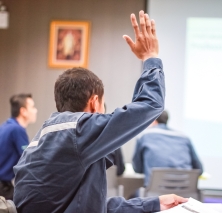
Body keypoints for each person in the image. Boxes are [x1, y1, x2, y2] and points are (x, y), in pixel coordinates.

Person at [13, 11, 188, 213]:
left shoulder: (47, 134)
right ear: (95, 103)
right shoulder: (79, 130)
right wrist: (150, 57)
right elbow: (151, 105)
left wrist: (154, 203)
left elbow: (91, 206)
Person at [132, 110, 203, 187]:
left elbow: (137, 168)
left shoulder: (144, 135)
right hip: (184, 192)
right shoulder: (184, 137)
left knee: (132, 197)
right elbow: (199, 169)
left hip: (156, 193)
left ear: (153, 120)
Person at [0, 94, 37, 200]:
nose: (35, 110)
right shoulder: (17, 130)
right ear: (23, 111)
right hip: (2, 187)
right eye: (32, 107)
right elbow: (29, 160)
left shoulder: (5, 126)